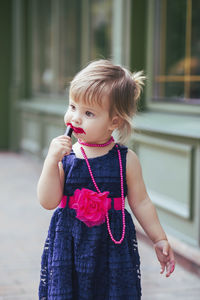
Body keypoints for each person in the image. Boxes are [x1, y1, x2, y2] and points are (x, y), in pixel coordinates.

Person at [37, 60, 175, 300]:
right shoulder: (66, 156)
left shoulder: (125, 159)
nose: (75, 118)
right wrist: (51, 162)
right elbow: (48, 201)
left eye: (88, 113)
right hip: (69, 243)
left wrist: (159, 238)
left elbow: (141, 202)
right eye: (72, 106)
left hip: (111, 246)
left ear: (114, 122)